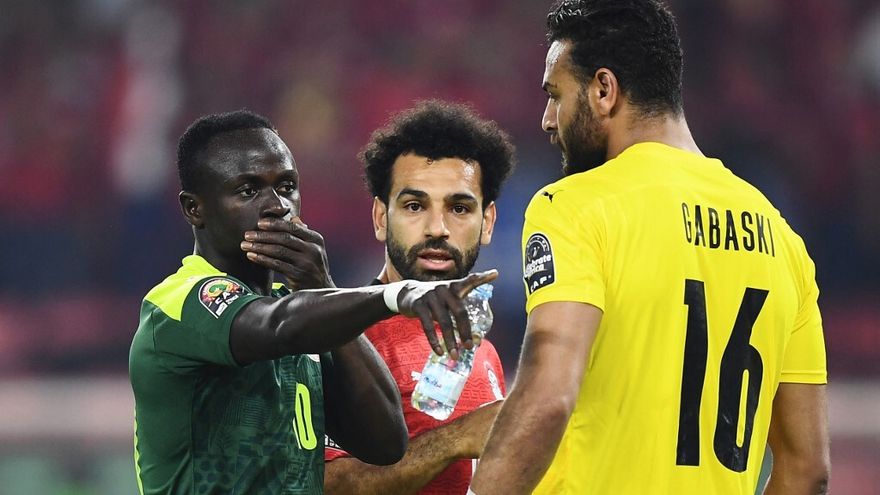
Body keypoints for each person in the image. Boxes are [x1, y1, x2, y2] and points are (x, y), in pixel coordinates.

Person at [470, 1, 830, 494]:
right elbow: (807, 470)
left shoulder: (576, 206)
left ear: (604, 90)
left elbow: (548, 399)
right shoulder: (783, 240)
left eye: (556, 95)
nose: (548, 120)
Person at [129, 110, 497, 494]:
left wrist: (320, 284)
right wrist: (395, 294)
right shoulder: (179, 302)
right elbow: (275, 326)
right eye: (248, 191)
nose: (277, 206)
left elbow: (386, 444)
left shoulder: (304, 316)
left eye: (286, 186)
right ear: (195, 209)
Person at [323, 100, 516, 495]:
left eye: (459, 208)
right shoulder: (338, 338)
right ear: (381, 218)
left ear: (487, 222)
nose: (437, 228)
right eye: (414, 206)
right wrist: (455, 439)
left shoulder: (483, 351)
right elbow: (327, 486)